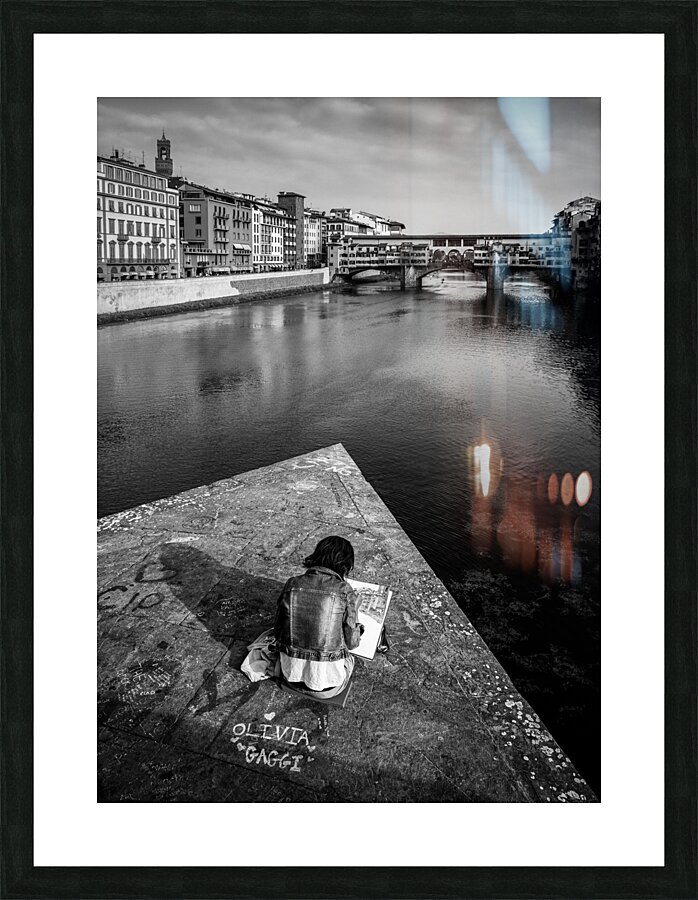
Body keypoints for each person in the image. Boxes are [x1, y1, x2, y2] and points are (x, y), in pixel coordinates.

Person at [273, 536, 363, 699]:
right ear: (345, 564)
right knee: (350, 658)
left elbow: (277, 632)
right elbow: (352, 643)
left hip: (289, 677)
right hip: (329, 688)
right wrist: (354, 609)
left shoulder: (292, 583)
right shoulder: (344, 589)